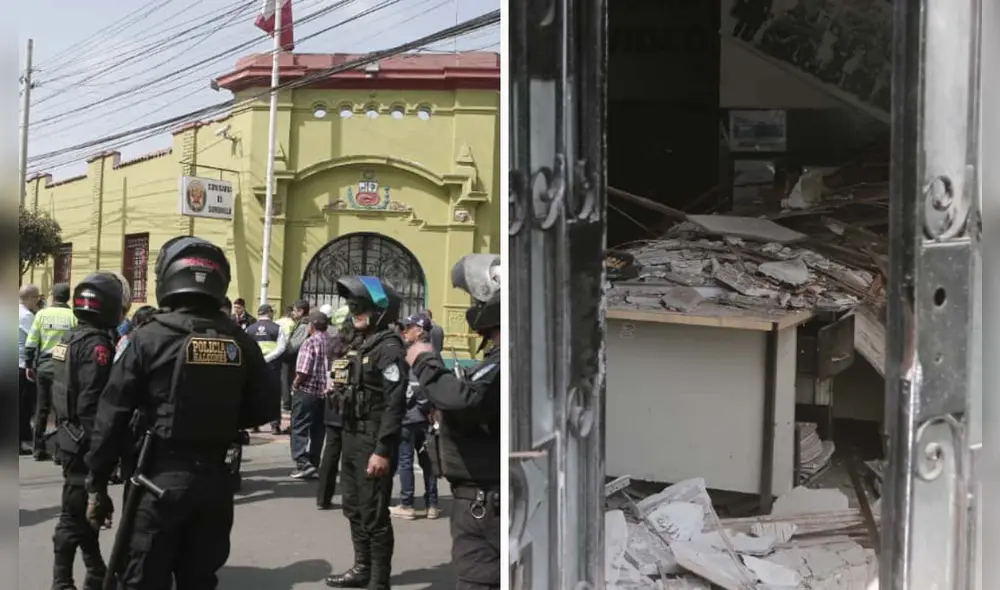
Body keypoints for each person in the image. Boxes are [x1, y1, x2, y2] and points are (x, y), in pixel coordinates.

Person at [83, 236, 277, 587]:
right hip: (216, 482)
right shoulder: (241, 341)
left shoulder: (147, 338)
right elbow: (263, 407)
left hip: (155, 480)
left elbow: (111, 416)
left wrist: (97, 483)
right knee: (199, 578)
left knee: (143, 578)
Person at [406, 254, 501, 590]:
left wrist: (426, 361)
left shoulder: (507, 359)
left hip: (487, 498)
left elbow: (465, 401)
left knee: (479, 579)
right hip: (490, 494)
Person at [324, 276, 407, 590]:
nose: (353, 311)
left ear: (381, 311)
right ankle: (361, 569)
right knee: (353, 507)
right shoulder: (356, 344)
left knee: (373, 512)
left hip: (373, 438)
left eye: (361, 307)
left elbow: (395, 403)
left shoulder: (388, 348)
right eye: (351, 305)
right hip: (350, 433)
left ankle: (378, 580)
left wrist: (383, 449)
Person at [49, 273, 126, 590]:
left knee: (86, 513)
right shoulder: (97, 346)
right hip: (85, 444)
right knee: (74, 515)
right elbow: (93, 404)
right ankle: (62, 582)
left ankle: (96, 571)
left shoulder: (68, 338)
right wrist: (104, 453)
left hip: (68, 436)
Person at [389, 314, 440, 520]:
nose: (405, 331)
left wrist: (421, 405)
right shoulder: (434, 353)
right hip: (426, 417)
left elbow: (417, 387)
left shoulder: (417, 353)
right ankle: (432, 504)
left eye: (409, 327)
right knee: (428, 461)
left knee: (406, 461)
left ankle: (407, 504)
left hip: (412, 417)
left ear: (419, 330)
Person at [24, 283, 77, 462]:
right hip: (64, 368)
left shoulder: (41, 314)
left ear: (53, 296)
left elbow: (31, 342)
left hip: (44, 366)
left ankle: (38, 449)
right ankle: (60, 452)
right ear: (67, 297)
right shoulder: (73, 316)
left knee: (42, 408)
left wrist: (29, 365)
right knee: (63, 410)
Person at [316, 316, 356, 510]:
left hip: (331, 400)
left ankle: (323, 497)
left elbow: (327, 374)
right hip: (349, 402)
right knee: (349, 455)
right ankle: (349, 499)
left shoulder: (332, 346)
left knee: (330, 452)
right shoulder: (358, 349)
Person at [289, 310, 331, 479]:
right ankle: (314, 463)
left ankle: (302, 462)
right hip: (323, 393)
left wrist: (295, 383)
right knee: (318, 430)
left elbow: (303, 370)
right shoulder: (331, 341)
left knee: (299, 427)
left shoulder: (310, 342)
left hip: (307, 391)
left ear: (311, 326)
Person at [246, 304, 288, 434]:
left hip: (255, 365)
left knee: (255, 394)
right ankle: (275, 425)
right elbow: (281, 348)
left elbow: (246, 347)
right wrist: (268, 358)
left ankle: (254, 424)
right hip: (272, 366)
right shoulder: (277, 328)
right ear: (269, 313)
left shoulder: (250, 329)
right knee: (274, 394)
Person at [19, 284, 41, 455]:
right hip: (21, 365)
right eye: (36, 298)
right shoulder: (26, 316)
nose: (38, 301)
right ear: (29, 298)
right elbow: (34, 339)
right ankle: (21, 440)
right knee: (24, 405)